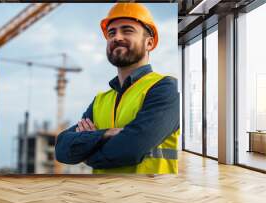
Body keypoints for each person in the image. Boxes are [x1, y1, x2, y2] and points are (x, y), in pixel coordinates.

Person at [55, 3, 180, 174]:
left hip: (150, 196)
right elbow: (62, 147)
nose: (117, 37)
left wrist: (88, 155)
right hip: (102, 196)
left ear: (149, 43)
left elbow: (131, 148)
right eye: (111, 33)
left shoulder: (165, 89)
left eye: (127, 30)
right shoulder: (101, 100)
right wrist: (107, 133)